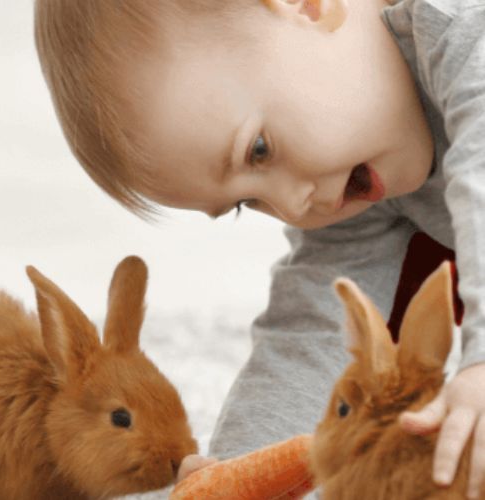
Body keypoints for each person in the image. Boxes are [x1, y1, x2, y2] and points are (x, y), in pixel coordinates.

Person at [34, 0, 485, 497]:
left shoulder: (460, 25)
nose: (292, 207)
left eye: (259, 149)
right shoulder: (354, 185)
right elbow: (313, 327)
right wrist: (237, 472)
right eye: (248, 201)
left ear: (307, 6)